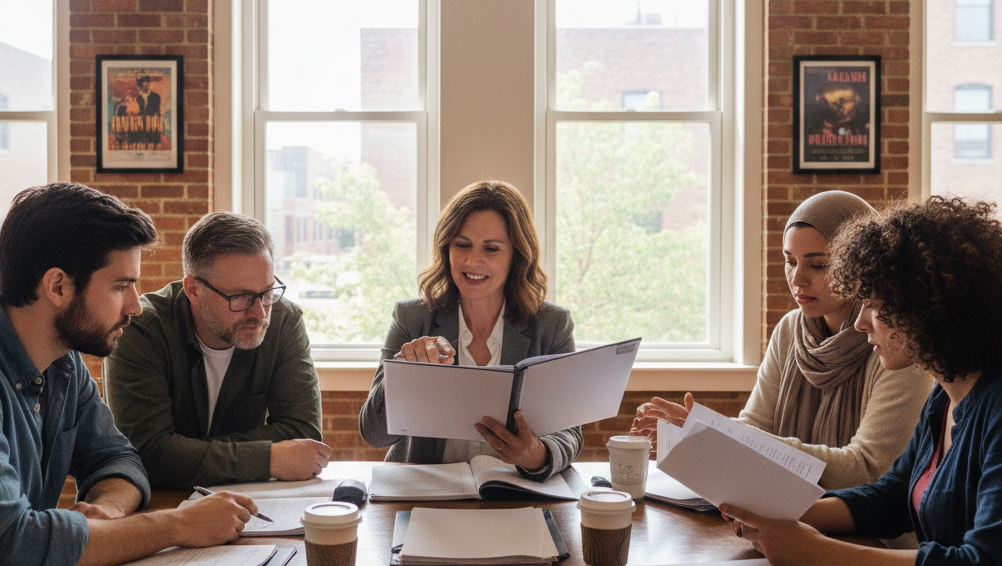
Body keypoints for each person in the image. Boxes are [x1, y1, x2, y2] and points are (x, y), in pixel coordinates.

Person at [722, 196, 1002, 566]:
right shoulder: (945, 395)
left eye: (877, 307)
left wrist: (818, 553)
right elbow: (893, 495)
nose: (861, 322)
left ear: (932, 308)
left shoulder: (996, 407)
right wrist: (791, 514)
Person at [0, 182, 258, 566]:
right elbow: (8, 547)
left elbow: (118, 458)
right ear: (58, 286)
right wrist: (178, 524)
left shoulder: (63, 363)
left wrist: (108, 510)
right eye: (120, 286)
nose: (135, 306)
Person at [632, 190, 931, 489]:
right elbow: (754, 428)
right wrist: (698, 433)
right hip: (785, 516)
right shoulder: (789, 330)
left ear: (860, 266)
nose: (797, 279)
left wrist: (713, 432)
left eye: (818, 265)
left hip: (867, 534)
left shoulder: (896, 342)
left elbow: (866, 469)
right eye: (790, 261)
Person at [359, 180, 582, 479]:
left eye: (491, 249)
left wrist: (536, 455)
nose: (473, 261)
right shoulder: (412, 318)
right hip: (429, 493)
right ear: (446, 247)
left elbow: (570, 434)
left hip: (515, 494)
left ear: (516, 255)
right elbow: (374, 434)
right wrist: (404, 372)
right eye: (462, 245)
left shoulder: (552, 325)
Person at [103, 211, 328, 489]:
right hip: (162, 505)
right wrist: (266, 458)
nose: (259, 312)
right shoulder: (142, 330)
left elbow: (303, 434)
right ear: (194, 290)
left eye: (267, 292)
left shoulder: (283, 321)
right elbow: (147, 453)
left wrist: (186, 453)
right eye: (240, 297)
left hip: (252, 500)